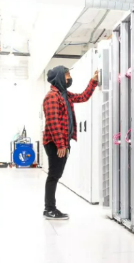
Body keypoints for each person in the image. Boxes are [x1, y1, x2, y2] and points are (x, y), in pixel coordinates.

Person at [42, 65, 98, 220]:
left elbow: (82, 97)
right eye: (67, 75)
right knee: (54, 175)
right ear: (59, 77)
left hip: (62, 142)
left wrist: (93, 82)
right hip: (55, 143)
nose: (69, 78)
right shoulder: (52, 97)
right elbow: (53, 123)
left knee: (56, 174)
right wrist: (61, 145)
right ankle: (49, 209)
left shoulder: (64, 94)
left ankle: (50, 208)